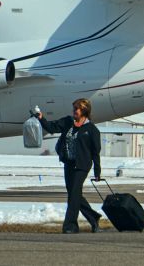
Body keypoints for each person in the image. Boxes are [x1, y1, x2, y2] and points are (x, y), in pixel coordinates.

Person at [37, 98, 102, 234]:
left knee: (73, 194)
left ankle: (70, 226)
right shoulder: (68, 122)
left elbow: (96, 152)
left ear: (84, 111)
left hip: (82, 165)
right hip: (69, 163)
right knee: (74, 193)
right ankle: (93, 217)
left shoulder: (91, 129)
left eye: (76, 109)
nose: (74, 112)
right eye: (74, 109)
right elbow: (52, 127)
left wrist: (97, 170)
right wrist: (41, 118)